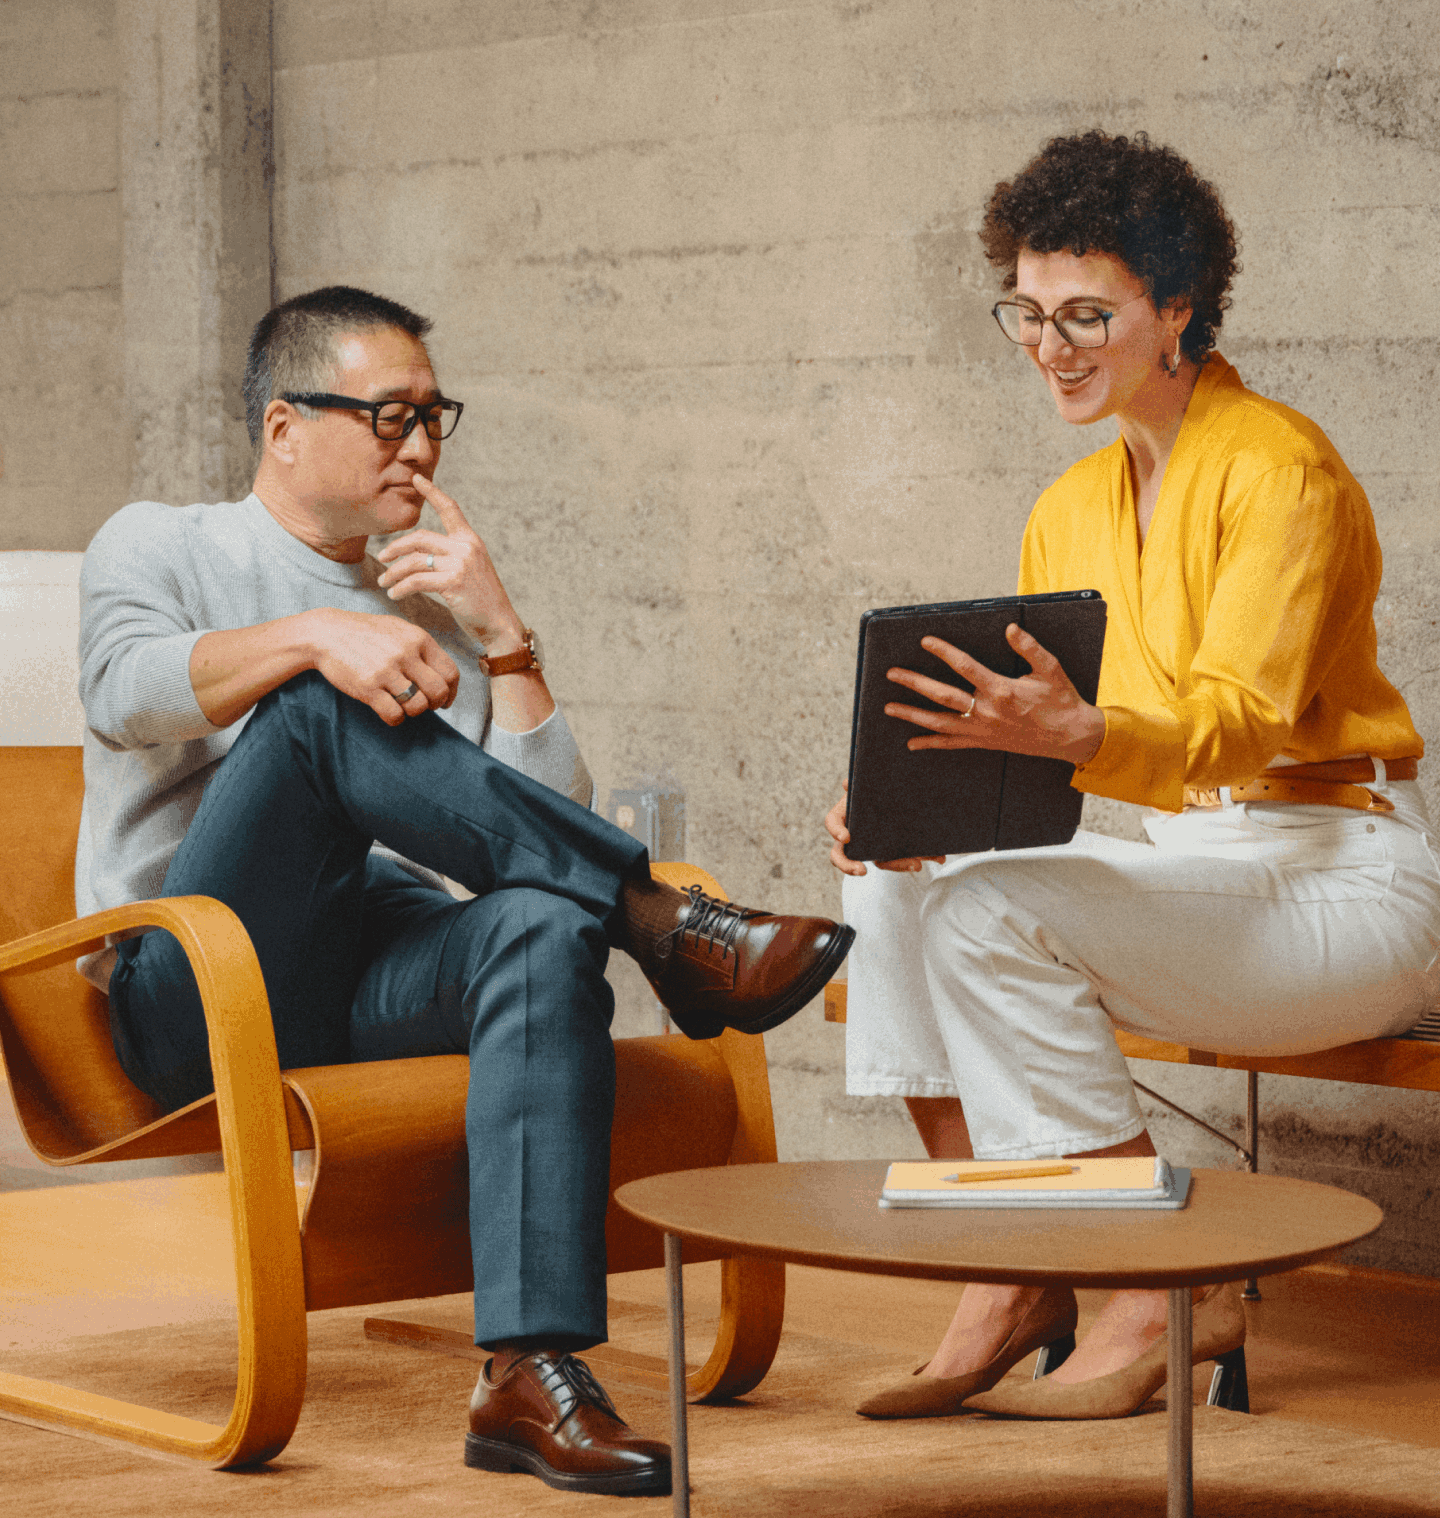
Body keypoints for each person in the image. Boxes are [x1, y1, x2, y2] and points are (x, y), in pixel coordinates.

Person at [78, 285, 854, 1495]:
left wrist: (502, 636)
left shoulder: (411, 594)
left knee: (545, 921)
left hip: (358, 966)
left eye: (437, 417)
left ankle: (527, 1373)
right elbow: (120, 688)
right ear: (284, 427)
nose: (424, 448)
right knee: (314, 708)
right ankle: (665, 924)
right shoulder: (164, 541)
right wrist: (316, 643)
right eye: (390, 418)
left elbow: (527, 824)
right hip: (191, 988)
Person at [825, 131, 1440, 1422]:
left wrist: (1081, 738)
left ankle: (1160, 1288)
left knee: (992, 912)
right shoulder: (1069, 507)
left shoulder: (1281, 469)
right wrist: (922, 810)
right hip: (1191, 869)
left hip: (1341, 874)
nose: (1052, 346)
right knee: (895, 887)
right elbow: (1054, 755)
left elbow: (1233, 722)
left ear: (1178, 310)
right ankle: (1014, 1266)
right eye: (1030, 314)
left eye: (1088, 314)